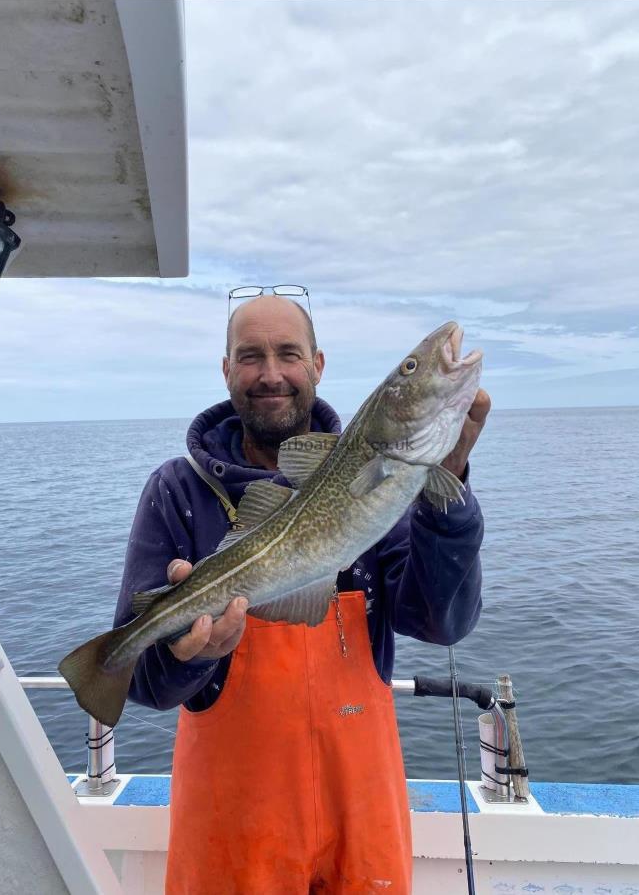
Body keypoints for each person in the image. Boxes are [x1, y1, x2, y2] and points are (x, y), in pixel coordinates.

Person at [114, 293, 490, 895]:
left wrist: (450, 494)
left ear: (317, 364)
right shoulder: (178, 491)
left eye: (288, 354)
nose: (271, 374)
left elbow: (439, 622)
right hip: (232, 827)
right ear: (226, 369)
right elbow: (144, 684)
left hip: (361, 816)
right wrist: (192, 656)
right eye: (250, 356)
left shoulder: (387, 485)